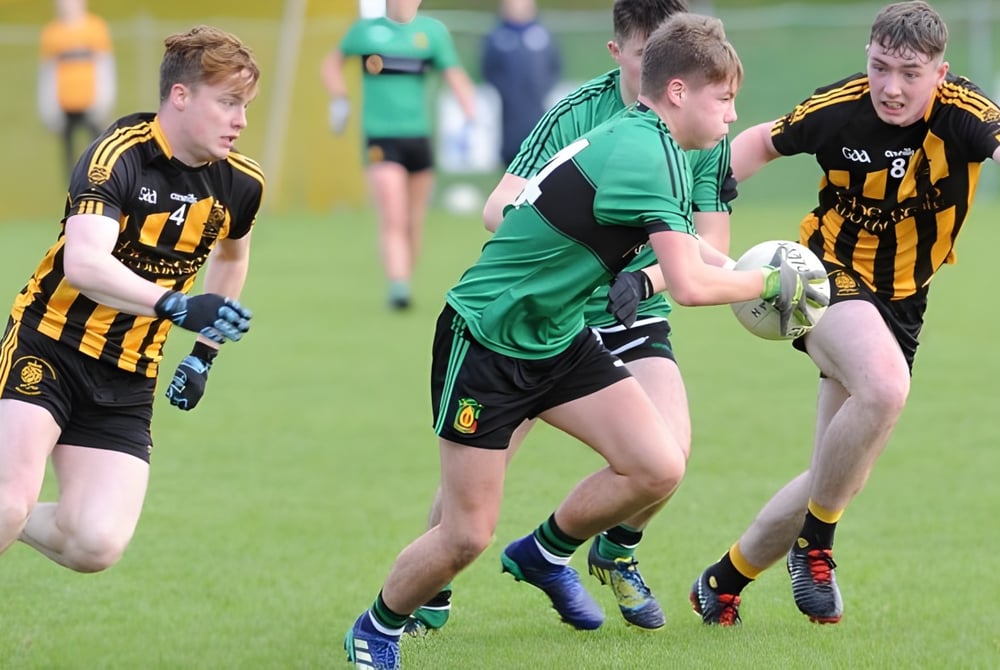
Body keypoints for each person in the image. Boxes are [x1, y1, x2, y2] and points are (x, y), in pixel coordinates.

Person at [344, 13, 823, 669]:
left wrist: (761, 276)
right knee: (465, 533)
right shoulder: (645, 153)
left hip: (559, 335)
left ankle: (544, 550)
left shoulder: (658, 143)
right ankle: (377, 626)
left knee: (657, 463)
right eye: (725, 98)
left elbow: (696, 260)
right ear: (679, 91)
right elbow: (687, 284)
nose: (735, 116)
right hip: (491, 337)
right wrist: (773, 280)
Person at [409, 0, 738, 635]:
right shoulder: (578, 116)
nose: (659, 72)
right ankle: (430, 590)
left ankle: (593, 550)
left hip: (636, 304)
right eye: (647, 54)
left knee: (668, 454)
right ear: (621, 54)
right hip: (550, 312)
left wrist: (644, 274)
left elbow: (708, 249)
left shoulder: (703, 121)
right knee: (485, 463)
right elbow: (498, 205)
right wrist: (563, 247)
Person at [689, 0, 1000, 626]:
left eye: (910, 73)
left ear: (940, 73)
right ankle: (816, 548)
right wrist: (691, 219)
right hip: (823, 278)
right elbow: (751, 145)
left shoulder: (967, 116)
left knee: (833, 476)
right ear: (867, 57)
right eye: (881, 67)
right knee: (885, 388)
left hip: (905, 302)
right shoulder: (839, 108)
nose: (891, 87)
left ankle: (722, 582)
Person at [0, 25, 262, 573]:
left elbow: (232, 258)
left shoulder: (241, 184)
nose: (240, 120)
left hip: (128, 374)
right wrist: (175, 305)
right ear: (180, 96)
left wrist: (202, 355)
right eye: (229, 103)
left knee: (94, 544)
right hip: (47, 344)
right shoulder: (115, 155)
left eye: (245, 105)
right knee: (7, 502)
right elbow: (85, 263)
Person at [320, 0, 476, 310]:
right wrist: (339, 99)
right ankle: (398, 287)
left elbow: (454, 75)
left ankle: (405, 276)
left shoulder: (431, 33)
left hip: (418, 136)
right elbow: (331, 64)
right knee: (393, 215)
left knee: (413, 221)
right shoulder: (366, 32)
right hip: (381, 137)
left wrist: (470, 115)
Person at [38, 0, 117, 182]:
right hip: (65, 103)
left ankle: (101, 184)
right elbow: (47, 72)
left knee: (98, 148)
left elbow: (105, 67)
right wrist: (49, 106)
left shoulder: (95, 28)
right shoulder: (52, 33)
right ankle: (73, 192)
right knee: (69, 153)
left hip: (90, 102)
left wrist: (103, 99)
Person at [481, 0, 562, 166]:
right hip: (508, 113)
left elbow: (555, 66)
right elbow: (488, 68)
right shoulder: (498, 37)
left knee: (538, 153)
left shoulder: (542, 36)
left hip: (536, 109)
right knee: (511, 155)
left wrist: (542, 88)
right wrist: (504, 90)